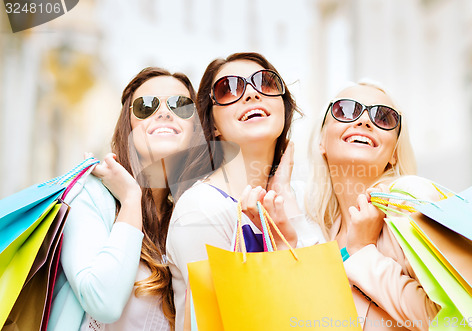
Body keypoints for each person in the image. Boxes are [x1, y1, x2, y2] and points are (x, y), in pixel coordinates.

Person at [165, 52, 323, 330]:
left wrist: (287, 201)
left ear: (284, 108)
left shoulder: (303, 197)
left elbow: (332, 298)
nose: (251, 93)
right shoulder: (200, 210)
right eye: (228, 89)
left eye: (266, 83)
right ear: (212, 125)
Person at [48, 67, 205, 331]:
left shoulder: (187, 214)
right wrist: (131, 198)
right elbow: (102, 302)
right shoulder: (90, 196)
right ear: (128, 126)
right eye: (146, 106)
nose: (164, 113)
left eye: (180, 105)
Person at [305, 80, 441, 330]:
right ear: (322, 142)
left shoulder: (412, 206)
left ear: (394, 155)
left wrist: (364, 251)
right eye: (345, 110)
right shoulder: (319, 232)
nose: (365, 121)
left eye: (384, 117)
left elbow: (446, 319)